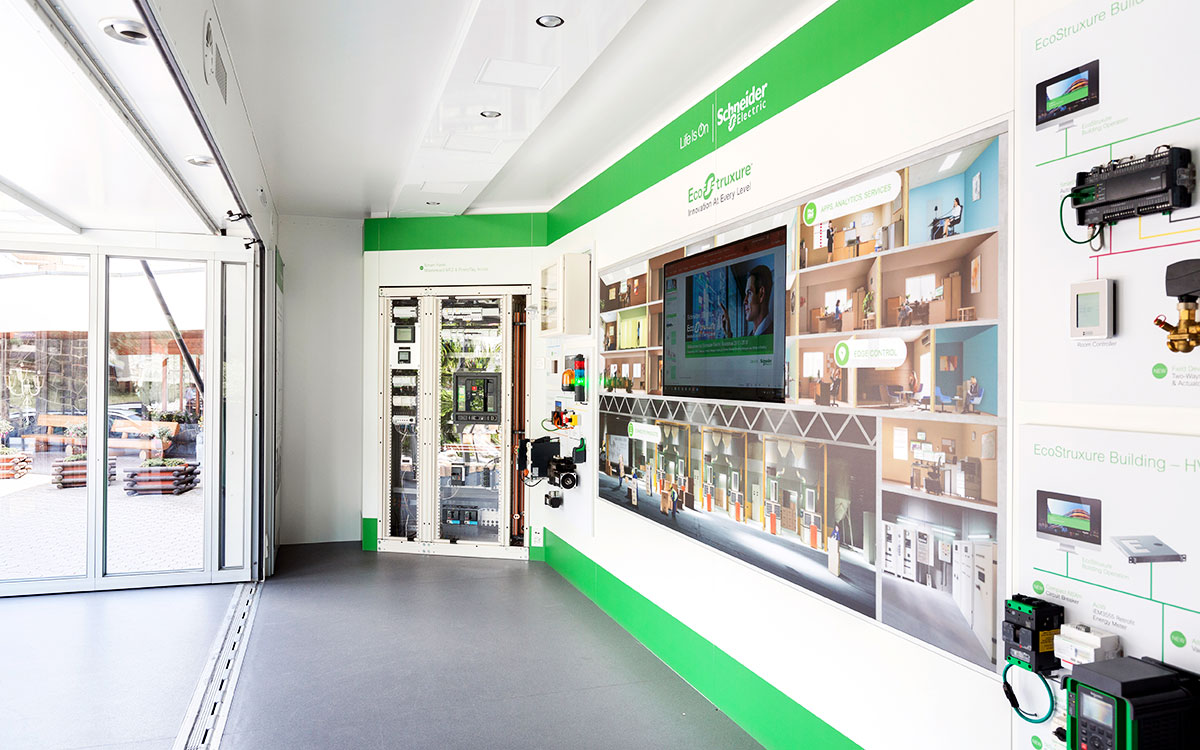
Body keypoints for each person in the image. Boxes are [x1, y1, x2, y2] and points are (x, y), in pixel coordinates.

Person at [720, 265, 774, 337]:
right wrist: (728, 333)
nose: (744, 301)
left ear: (761, 294)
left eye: (749, 293)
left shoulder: (771, 334)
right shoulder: (754, 333)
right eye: (746, 294)